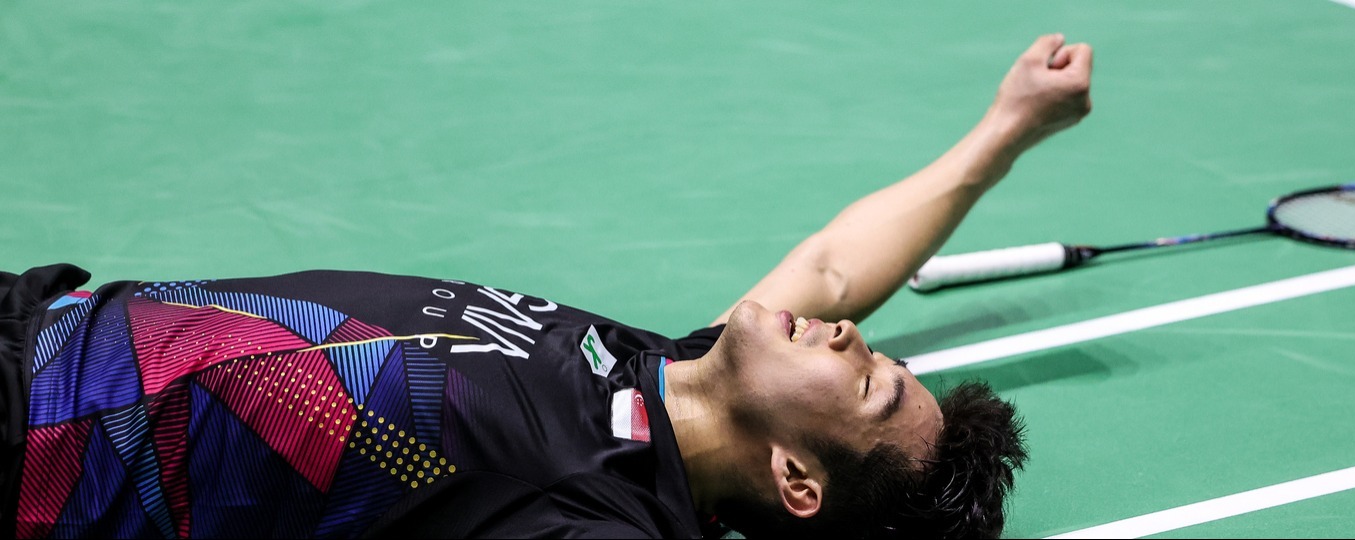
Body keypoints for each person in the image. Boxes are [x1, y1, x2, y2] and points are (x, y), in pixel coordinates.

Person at [0, 34, 1093, 539]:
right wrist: (1008, 130)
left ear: (794, 479)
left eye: (867, 384)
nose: (851, 333)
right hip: (42, 316)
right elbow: (832, 265)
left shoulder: (593, 515)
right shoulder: (658, 370)